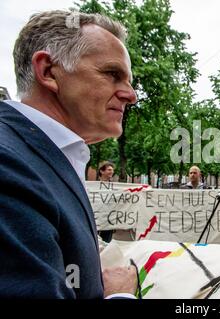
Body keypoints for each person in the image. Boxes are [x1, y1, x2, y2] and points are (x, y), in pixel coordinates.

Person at [0, 10, 138, 298]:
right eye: (113, 74)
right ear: (49, 71)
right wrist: (118, 295)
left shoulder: (44, 155)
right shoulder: (8, 164)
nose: (130, 94)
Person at [98, 162, 115, 243]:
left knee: (106, 243)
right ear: (102, 171)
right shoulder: (93, 186)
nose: (111, 172)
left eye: (112, 170)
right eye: (109, 170)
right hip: (96, 218)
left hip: (108, 219)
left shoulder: (114, 187)